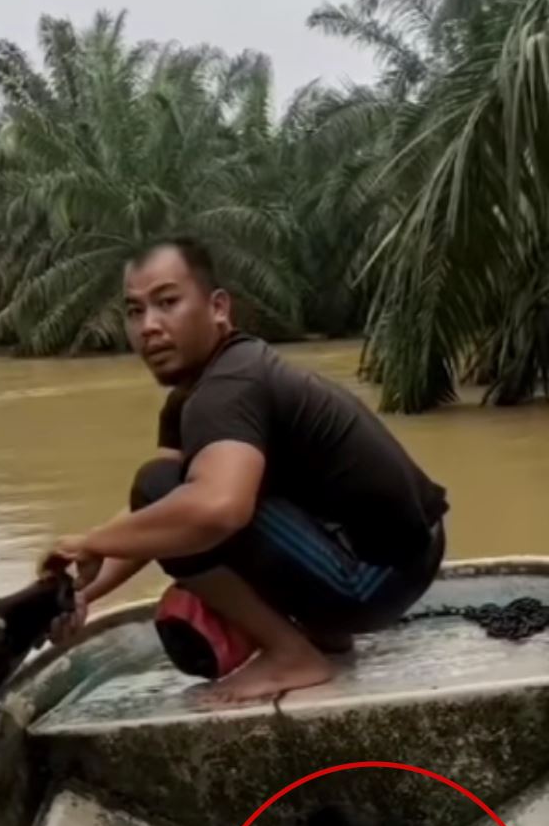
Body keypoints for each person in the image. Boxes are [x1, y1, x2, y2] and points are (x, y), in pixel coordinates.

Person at [43, 237, 447, 703]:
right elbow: (156, 513)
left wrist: (90, 542)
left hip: (379, 577)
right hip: (404, 556)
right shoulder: (202, 391)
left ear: (218, 307)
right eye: (134, 311)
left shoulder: (228, 387)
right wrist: (85, 592)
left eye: (168, 303)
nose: (149, 327)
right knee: (169, 496)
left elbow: (214, 508)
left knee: (173, 494)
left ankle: (291, 655)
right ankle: (325, 635)